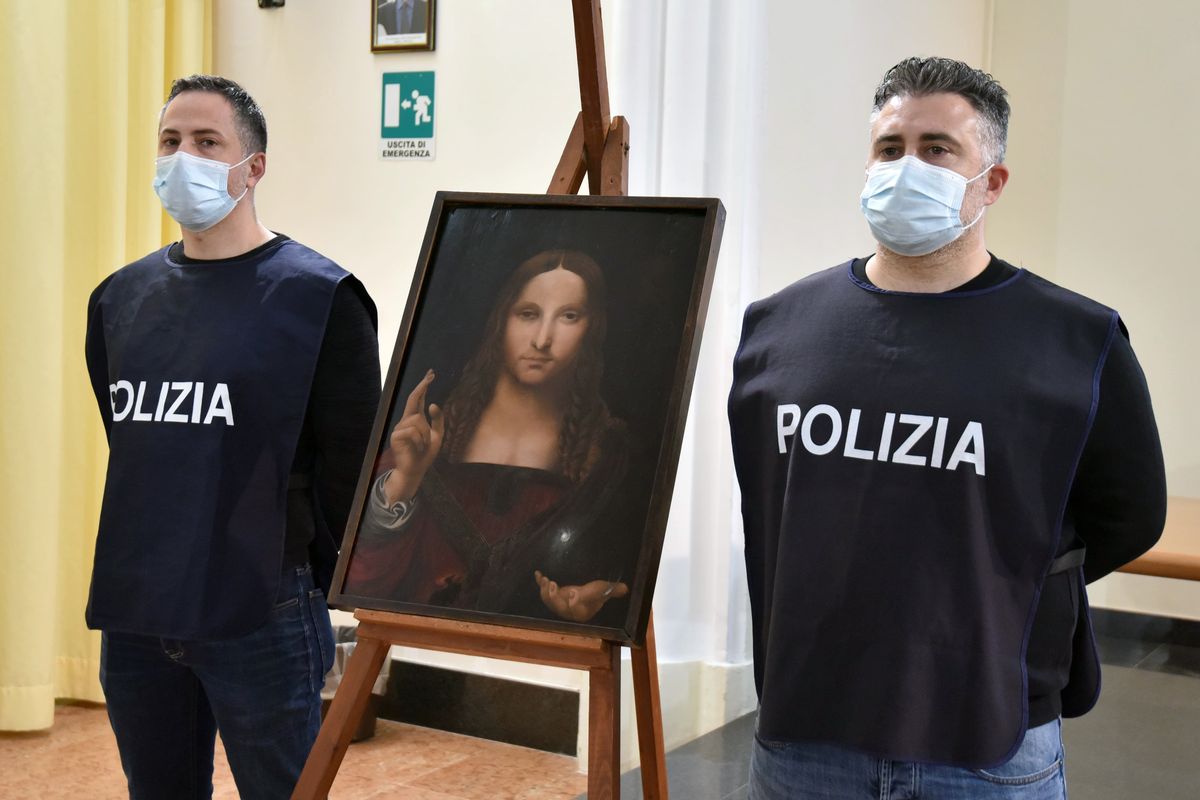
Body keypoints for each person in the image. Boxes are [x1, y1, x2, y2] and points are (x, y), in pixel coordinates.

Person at [728, 56, 1166, 799]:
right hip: (808, 734)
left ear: (989, 183)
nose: (907, 168)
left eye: (938, 150)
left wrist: (988, 582)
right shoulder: (778, 330)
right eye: (891, 148)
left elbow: (1128, 515)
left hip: (987, 740)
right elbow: (772, 506)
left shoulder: (1077, 343)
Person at [85, 75, 381, 799]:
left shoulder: (318, 298)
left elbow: (352, 460)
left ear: (253, 168)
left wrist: (327, 580)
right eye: (170, 141)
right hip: (139, 605)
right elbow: (132, 439)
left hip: (263, 609)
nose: (183, 156)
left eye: (207, 141)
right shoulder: (119, 299)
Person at [344, 249, 634, 625]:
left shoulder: (607, 454)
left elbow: (620, 580)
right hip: (419, 648)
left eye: (568, 316)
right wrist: (406, 479)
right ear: (502, 320)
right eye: (528, 314)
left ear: (592, 329)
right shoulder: (429, 433)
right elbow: (367, 581)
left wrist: (594, 600)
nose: (542, 340)